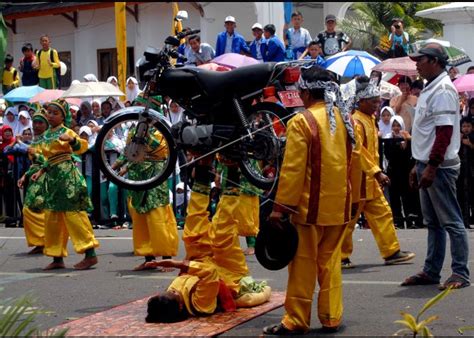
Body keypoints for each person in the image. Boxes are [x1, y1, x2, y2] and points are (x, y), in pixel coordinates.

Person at [262, 66, 354, 335]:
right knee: (330, 262)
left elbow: (293, 170)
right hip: (339, 206)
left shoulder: (302, 121)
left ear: (306, 92)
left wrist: (280, 209)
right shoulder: (344, 117)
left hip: (309, 208)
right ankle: (330, 316)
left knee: (302, 265)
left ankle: (296, 320)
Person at [145, 157, 270, 323]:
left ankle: (202, 168)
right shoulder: (200, 305)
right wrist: (176, 264)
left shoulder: (169, 298)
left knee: (192, 231)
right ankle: (232, 167)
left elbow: (189, 272)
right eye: (174, 294)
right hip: (228, 271)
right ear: (181, 307)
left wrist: (188, 258)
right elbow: (209, 274)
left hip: (202, 260)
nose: (174, 290)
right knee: (221, 231)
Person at [402, 43, 470, 290]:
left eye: (420, 59)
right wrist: (418, 164)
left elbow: (443, 134)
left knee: (451, 221)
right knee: (433, 222)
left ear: (434, 61)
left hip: (438, 166)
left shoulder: (442, 89)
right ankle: (431, 271)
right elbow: (428, 133)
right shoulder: (432, 87)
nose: (416, 64)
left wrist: (431, 166)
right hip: (427, 163)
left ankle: (460, 273)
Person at [341, 77, 415, 269]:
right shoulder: (356, 122)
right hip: (357, 180)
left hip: (369, 180)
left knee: (383, 213)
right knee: (349, 219)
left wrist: (375, 172)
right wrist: (376, 172)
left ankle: (391, 251)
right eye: (373, 101)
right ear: (362, 102)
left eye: (377, 101)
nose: (377, 105)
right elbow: (357, 151)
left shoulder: (368, 119)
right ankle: (340, 256)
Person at [30, 99, 99, 270]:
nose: (51, 116)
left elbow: (81, 148)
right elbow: (48, 158)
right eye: (49, 113)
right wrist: (41, 170)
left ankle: (90, 254)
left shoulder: (67, 131)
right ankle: (57, 257)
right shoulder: (46, 135)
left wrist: (71, 140)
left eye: (55, 113)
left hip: (68, 177)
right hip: (52, 180)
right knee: (52, 219)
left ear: (63, 116)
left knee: (74, 216)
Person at [111, 118, 179, 271]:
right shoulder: (135, 129)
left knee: (157, 215)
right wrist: (117, 165)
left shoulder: (161, 129)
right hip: (137, 176)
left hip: (155, 174)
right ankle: (149, 259)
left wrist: (146, 135)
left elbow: (162, 149)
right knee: (140, 215)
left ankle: (166, 259)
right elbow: (130, 149)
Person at [17, 109, 49, 254]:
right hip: (34, 177)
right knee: (30, 209)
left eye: (40, 122)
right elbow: (34, 164)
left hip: (46, 177)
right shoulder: (36, 140)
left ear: (46, 124)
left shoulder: (49, 139)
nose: (36, 125)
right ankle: (41, 241)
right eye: (35, 122)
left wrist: (35, 154)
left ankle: (46, 240)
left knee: (34, 208)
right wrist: (25, 176)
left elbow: (49, 160)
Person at [457, 117, 473, 229]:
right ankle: (463, 219)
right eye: (464, 126)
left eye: (468, 126)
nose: (466, 129)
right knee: (461, 195)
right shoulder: (457, 138)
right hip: (461, 172)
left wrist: (470, 144)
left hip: (471, 171)